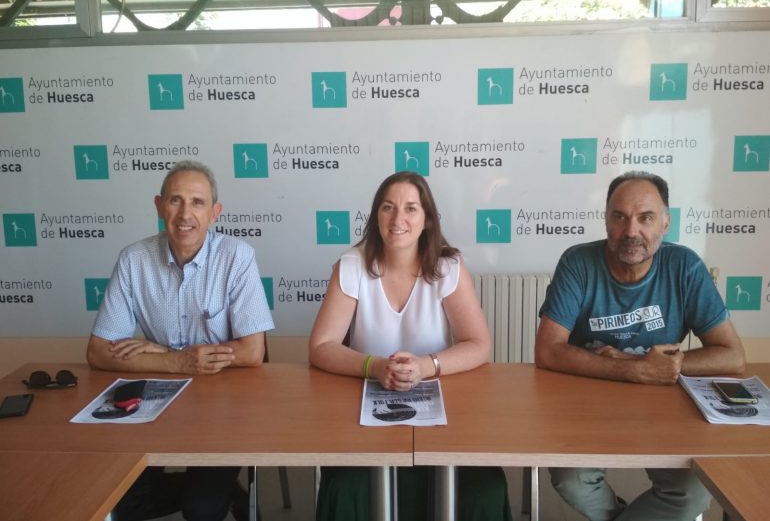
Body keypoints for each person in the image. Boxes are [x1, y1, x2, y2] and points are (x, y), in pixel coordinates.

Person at [535, 171, 746, 521]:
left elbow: (732, 355)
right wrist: (635, 368)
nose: (631, 231)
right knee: (571, 481)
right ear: (606, 220)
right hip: (587, 403)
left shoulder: (685, 267)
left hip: (663, 409)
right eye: (619, 217)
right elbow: (547, 351)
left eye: (645, 218)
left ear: (665, 222)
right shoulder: (577, 263)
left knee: (692, 493)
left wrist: (666, 366)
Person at [309, 170, 512, 521]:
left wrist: (426, 366)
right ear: (376, 217)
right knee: (346, 485)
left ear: (428, 220)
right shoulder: (351, 267)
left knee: (485, 488)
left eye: (411, 208)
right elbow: (321, 346)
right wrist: (374, 367)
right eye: (388, 207)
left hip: (443, 410)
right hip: (364, 411)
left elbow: (479, 344)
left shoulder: (449, 267)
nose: (398, 218)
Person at [87, 160, 274, 521]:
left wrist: (166, 353)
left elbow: (252, 351)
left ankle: (219, 493)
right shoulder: (133, 260)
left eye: (198, 202)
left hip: (224, 402)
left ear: (215, 212)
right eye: (175, 200)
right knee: (122, 502)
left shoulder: (237, 256)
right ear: (159, 206)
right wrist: (175, 361)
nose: (185, 214)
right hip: (158, 395)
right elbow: (98, 351)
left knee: (201, 510)